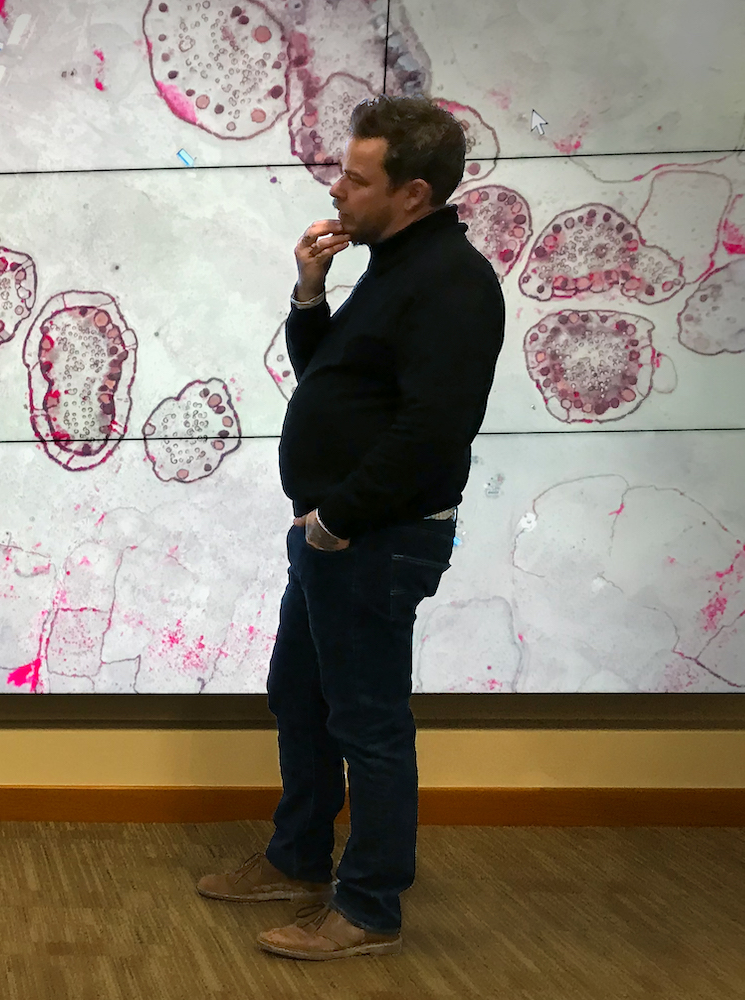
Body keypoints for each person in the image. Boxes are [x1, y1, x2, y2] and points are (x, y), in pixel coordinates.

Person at [196, 96, 505, 959]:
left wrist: (336, 518)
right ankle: (298, 858)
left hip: (375, 538)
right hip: (337, 540)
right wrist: (308, 293)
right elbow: (333, 381)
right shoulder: (394, 264)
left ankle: (367, 909)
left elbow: (433, 432)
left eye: (355, 178)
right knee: (299, 695)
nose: (336, 190)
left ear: (412, 192)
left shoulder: (452, 284)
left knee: (367, 723)